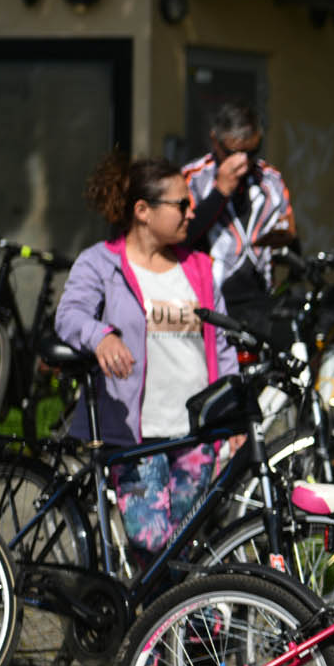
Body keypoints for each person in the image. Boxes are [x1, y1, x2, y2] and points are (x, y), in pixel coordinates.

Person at [56, 154, 239, 571]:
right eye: (181, 204)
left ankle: (188, 633)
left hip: (196, 435)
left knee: (184, 543)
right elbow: (69, 316)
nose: (192, 212)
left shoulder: (199, 268)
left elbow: (222, 345)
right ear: (143, 211)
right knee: (152, 540)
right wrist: (100, 337)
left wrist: (232, 414)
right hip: (135, 436)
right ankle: (176, 625)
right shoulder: (101, 263)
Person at [181, 100, 296, 337]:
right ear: (215, 141)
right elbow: (182, 237)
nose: (243, 163)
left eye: (252, 152)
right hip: (209, 304)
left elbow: (291, 238)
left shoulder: (271, 180)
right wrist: (220, 192)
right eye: (233, 153)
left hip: (260, 301)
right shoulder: (193, 179)